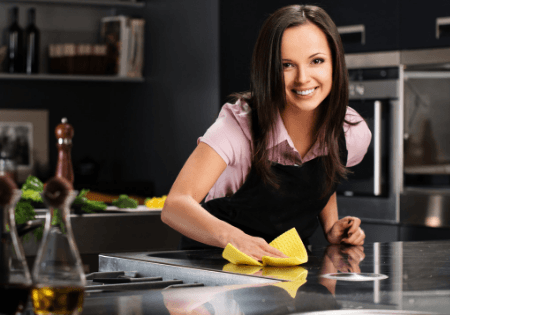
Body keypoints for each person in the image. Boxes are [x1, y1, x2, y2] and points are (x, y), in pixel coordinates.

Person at [161, 4, 372, 262]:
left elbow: (321, 174)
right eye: (286, 65)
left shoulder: (350, 129)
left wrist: (331, 227)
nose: (303, 78)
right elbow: (175, 206)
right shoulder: (237, 129)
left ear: (334, 63)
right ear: (267, 69)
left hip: (284, 272)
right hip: (214, 268)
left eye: (316, 61)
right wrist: (235, 239)